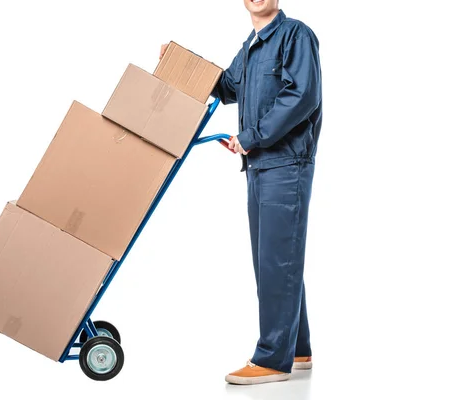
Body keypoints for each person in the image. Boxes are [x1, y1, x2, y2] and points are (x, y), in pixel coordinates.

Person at [161, 0, 322, 385]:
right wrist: (183, 65)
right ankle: (297, 349)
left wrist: (250, 137)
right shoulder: (251, 45)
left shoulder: (295, 34)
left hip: (285, 164)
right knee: (275, 259)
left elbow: (302, 96)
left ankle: (271, 358)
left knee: (276, 261)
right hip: (259, 167)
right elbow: (230, 86)